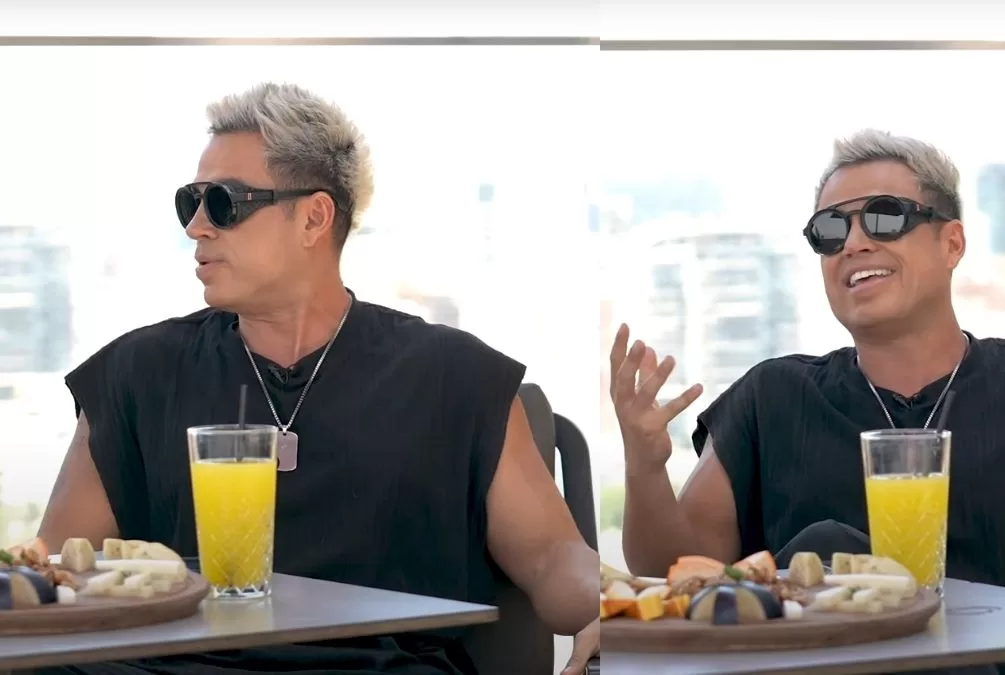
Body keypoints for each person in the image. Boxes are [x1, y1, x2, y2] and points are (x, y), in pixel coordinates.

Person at [33, 83, 598, 675]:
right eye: (189, 203)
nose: (197, 227)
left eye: (223, 203)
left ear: (313, 217)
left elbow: (552, 556)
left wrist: (600, 611)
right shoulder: (135, 374)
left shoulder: (455, 377)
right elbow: (56, 573)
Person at [612, 129, 1005, 675]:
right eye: (830, 231)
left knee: (827, 548)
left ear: (952, 243)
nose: (854, 243)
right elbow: (676, 573)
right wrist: (644, 466)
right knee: (827, 550)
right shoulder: (771, 399)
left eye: (885, 216)